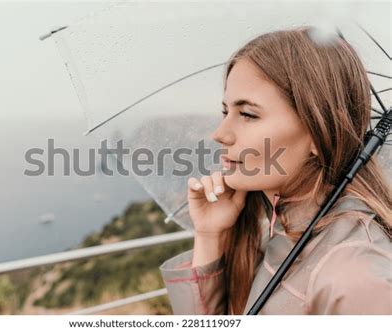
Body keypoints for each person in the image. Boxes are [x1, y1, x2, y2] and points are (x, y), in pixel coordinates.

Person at [159, 26, 392, 315]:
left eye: (248, 114)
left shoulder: (355, 278)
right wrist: (209, 236)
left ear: (318, 134)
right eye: (225, 112)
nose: (220, 133)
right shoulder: (278, 231)